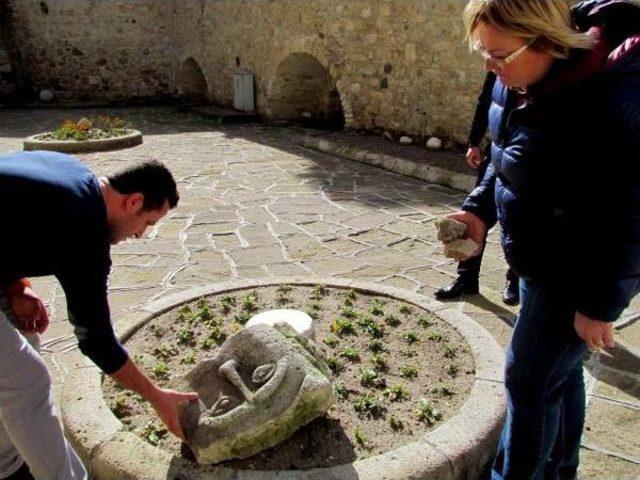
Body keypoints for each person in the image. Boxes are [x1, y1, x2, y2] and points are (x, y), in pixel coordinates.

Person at [441, 0, 640, 478]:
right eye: (481, 52)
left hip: (575, 273)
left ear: (546, 40)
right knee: (558, 374)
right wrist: (478, 211)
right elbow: (505, 158)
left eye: (499, 55)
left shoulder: (610, 99)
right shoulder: (520, 79)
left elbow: (632, 217)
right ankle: (558, 468)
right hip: (538, 259)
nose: (489, 66)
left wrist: (600, 304)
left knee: (527, 384)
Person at [0, 151, 199, 479]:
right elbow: (96, 341)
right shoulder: (85, 229)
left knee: (24, 345)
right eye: (147, 223)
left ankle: (9, 463)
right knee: (28, 380)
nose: (140, 235)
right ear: (134, 202)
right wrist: (156, 396)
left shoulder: (73, 173)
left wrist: (16, 286)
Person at [435, 71, 520, 305]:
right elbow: (488, 101)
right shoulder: (499, 62)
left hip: (527, 161)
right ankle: (467, 279)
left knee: (515, 219)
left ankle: (515, 278)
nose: (488, 62)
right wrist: (474, 141)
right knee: (475, 213)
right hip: (497, 150)